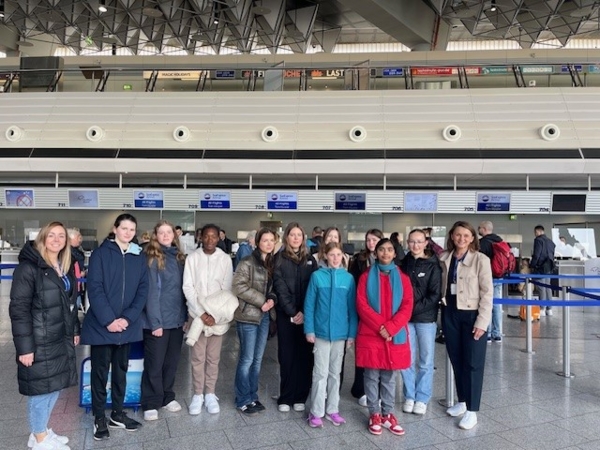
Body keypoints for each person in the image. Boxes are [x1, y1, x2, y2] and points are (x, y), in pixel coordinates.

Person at [10, 222, 79, 450]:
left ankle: (40, 431)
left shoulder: (63, 265)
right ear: (42, 238)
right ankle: (39, 439)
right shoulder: (28, 268)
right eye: (52, 235)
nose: (57, 239)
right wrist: (25, 348)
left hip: (59, 337)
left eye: (61, 236)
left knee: (56, 386)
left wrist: (75, 330)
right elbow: (19, 310)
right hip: (39, 341)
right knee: (41, 391)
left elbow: (70, 304)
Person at [81, 213, 149, 441]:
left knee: (121, 372)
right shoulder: (101, 254)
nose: (128, 233)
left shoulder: (139, 257)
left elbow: (142, 291)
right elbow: (95, 288)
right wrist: (110, 320)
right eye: (124, 228)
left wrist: (127, 319)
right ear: (115, 229)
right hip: (103, 325)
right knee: (100, 374)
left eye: (132, 229)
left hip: (127, 326)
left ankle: (117, 414)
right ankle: (99, 417)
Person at [355, 238, 413, 437]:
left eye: (390, 250)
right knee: (371, 376)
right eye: (382, 250)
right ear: (376, 252)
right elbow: (362, 305)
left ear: (395, 253)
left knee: (389, 377)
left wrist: (391, 328)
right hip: (372, 333)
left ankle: (388, 414)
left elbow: (407, 306)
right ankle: (374, 414)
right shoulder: (365, 277)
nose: (386, 253)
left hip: (393, 335)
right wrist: (382, 327)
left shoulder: (403, 278)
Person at [439, 221, 493, 430]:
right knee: (457, 358)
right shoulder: (444, 258)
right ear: (452, 236)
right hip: (450, 312)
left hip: (472, 315)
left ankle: (472, 410)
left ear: (472, 238)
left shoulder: (481, 260)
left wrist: (482, 322)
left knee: (473, 362)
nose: (461, 239)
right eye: (458, 235)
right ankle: (462, 402)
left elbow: (487, 294)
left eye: (466, 235)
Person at [183, 224, 235, 415]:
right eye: (206, 236)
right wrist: (200, 313)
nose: (210, 240)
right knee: (198, 357)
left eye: (214, 236)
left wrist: (213, 314)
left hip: (217, 317)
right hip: (197, 315)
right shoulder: (192, 258)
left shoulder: (224, 259)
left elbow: (226, 289)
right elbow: (188, 287)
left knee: (213, 358)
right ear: (200, 237)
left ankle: (210, 393)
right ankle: (198, 394)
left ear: (219, 238)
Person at [304, 242, 357, 428]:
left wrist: (351, 334)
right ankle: (316, 412)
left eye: (338, 255)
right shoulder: (317, 277)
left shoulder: (348, 278)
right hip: (320, 333)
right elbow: (309, 305)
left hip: (340, 334)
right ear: (325, 256)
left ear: (343, 256)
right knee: (320, 373)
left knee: (335, 373)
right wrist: (309, 329)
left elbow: (352, 308)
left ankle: (332, 409)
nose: (335, 258)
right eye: (331, 254)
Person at [140, 221, 187, 421]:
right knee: (154, 363)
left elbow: (183, 291)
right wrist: (155, 323)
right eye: (162, 232)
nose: (166, 235)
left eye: (169, 232)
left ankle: (167, 396)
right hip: (157, 322)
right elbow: (150, 293)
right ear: (155, 235)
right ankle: (151, 401)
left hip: (176, 321)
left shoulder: (178, 257)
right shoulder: (151, 258)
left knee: (171, 363)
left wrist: (185, 318)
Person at [273, 222, 317, 412]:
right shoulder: (279, 259)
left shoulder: (310, 260)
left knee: (305, 357)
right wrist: (292, 312)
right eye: (293, 234)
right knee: (287, 356)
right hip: (286, 316)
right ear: (287, 237)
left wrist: (305, 312)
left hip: (307, 316)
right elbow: (279, 288)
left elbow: (314, 290)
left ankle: (300, 396)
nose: (296, 238)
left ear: (303, 238)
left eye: (299, 234)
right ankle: (286, 396)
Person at [232, 228, 277, 415]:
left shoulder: (273, 263)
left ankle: (252, 396)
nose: (268, 243)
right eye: (264, 240)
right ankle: (242, 399)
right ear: (257, 242)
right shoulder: (247, 261)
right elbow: (238, 286)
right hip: (248, 316)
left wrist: (272, 299)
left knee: (257, 360)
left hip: (265, 316)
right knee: (247, 359)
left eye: (271, 240)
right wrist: (261, 301)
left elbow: (274, 287)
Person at [400, 229, 441, 416]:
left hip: (425, 320)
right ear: (407, 243)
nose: (415, 245)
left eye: (419, 242)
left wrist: (410, 310)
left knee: (425, 361)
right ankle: (409, 395)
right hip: (405, 321)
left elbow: (434, 295)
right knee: (406, 360)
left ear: (426, 243)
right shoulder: (402, 264)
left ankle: (422, 397)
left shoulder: (434, 266)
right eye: (411, 242)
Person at [348, 228, 384, 407]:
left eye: (375, 240)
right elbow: (353, 285)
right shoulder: (359, 260)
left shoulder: (386, 260)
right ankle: (360, 388)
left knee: (377, 352)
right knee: (362, 350)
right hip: (362, 309)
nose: (371, 243)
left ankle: (376, 388)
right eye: (368, 240)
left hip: (381, 313)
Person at [478, 220, 504, 342]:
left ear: (484, 229)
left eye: (479, 228)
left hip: (487, 277)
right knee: (497, 305)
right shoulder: (500, 240)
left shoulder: (483, 242)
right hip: (499, 276)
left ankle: (487, 333)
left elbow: (479, 260)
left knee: (486, 303)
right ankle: (497, 333)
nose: (478, 230)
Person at [530, 225, 556, 316]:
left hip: (540, 267)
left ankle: (542, 308)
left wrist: (532, 265)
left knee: (541, 288)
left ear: (537, 231)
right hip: (549, 267)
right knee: (548, 287)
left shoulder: (538, 240)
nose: (535, 234)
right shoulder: (550, 241)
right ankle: (549, 309)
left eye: (535, 232)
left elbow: (537, 255)